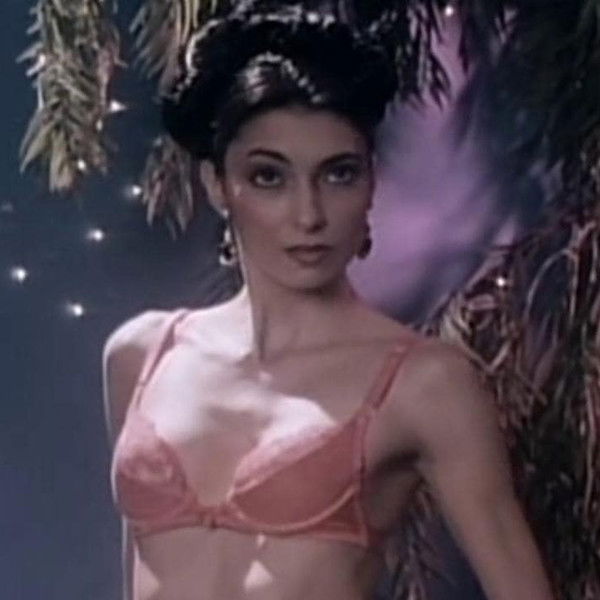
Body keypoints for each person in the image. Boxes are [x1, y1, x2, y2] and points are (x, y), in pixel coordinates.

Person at [102, 3, 556, 599]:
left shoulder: (424, 382)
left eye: (338, 174)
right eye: (269, 177)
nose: (309, 215)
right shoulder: (142, 354)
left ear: (370, 184)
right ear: (217, 185)